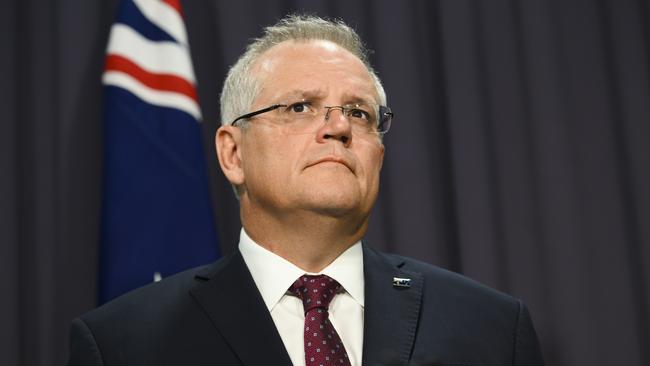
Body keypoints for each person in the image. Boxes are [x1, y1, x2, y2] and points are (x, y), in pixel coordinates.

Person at [68, 15, 545, 366]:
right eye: (300, 107)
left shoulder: (493, 329)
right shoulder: (121, 345)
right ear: (233, 154)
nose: (338, 127)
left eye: (359, 113)